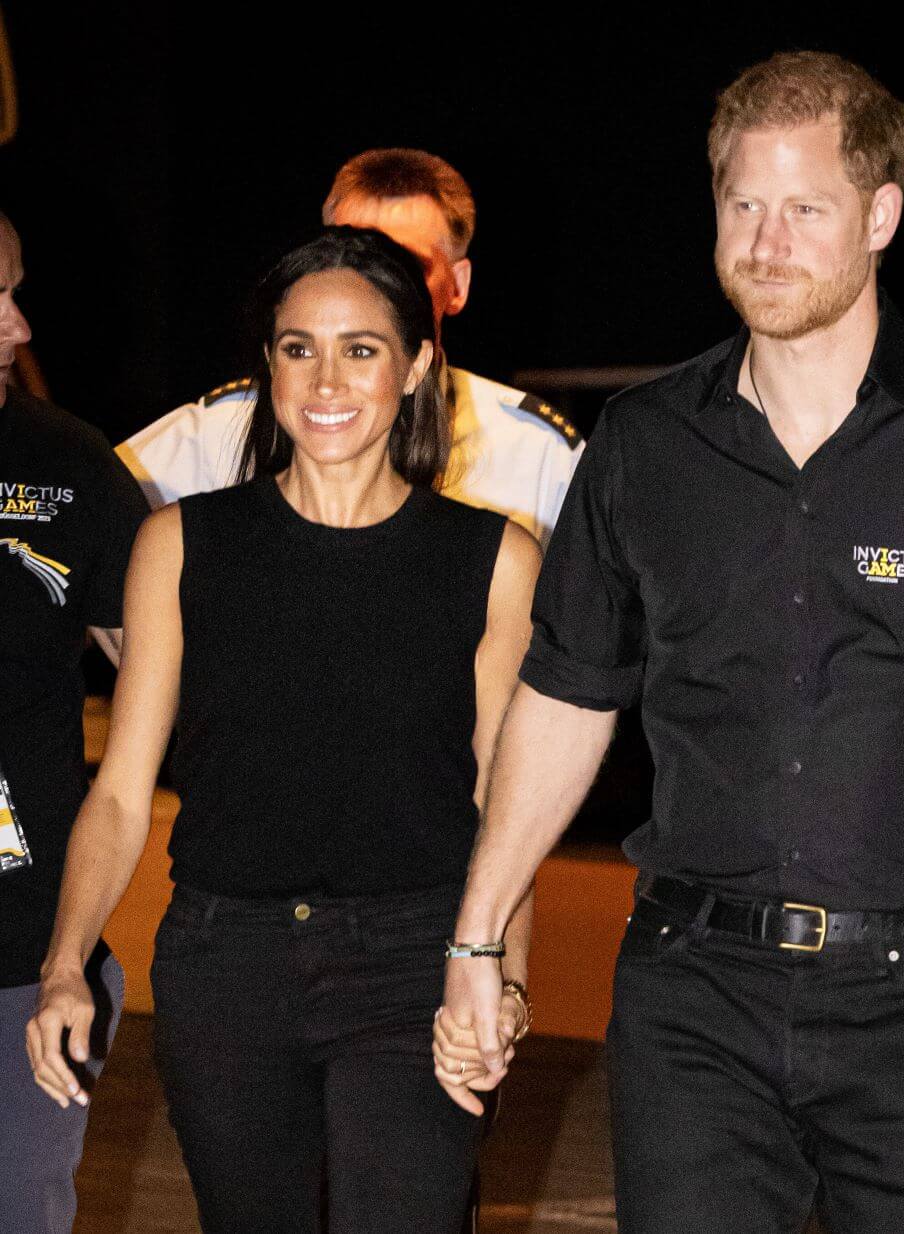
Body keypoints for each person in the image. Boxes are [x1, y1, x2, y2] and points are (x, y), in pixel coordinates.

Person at [438, 51, 904, 1234]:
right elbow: (564, 698)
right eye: (742, 204)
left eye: (805, 208)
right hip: (692, 996)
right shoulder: (644, 444)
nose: (765, 243)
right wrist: (478, 935)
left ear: (881, 215)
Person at [27, 227, 540, 1234]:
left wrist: (504, 979)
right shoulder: (181, 545)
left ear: (418, 365)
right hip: (230, 965)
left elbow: (502, 806)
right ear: (267, 366)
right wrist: (63, 964)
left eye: (361, 347)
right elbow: (123, 791)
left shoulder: (493, 561)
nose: (326, 376)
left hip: (415, 962)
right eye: (298, 346)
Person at [113, 148, 581, 552]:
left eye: (405, 264)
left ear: (456, 286)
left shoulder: (536, 454)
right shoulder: (215, 433)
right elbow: (81, 513)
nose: (366, 285)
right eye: (345, 251)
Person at [0, 211, 148, 1232]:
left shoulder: (69, 466)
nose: (15, 325)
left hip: (25, 955)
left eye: (12, 290)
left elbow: (165, 671)